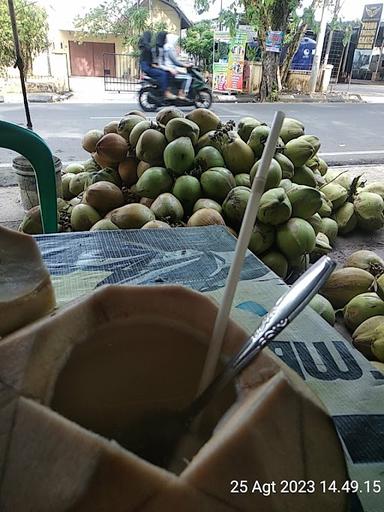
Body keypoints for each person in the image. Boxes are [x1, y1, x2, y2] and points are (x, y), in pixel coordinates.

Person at [138, 31, 175, 100]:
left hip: (149, 66)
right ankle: (164, 92)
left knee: (167, 73)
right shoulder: (150, 48)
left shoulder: (147, 47)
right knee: (163, 74)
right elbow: (154, 61)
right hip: (148, 67)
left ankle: (167, 90)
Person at [157, 32, 192, 99]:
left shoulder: (166, 47)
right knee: (188, 77)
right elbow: (175, 61)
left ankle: (178, 91)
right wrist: (185, 65)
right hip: (171, 69)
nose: (176, 43)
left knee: (184, 74)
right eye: (175, 41)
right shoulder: (169, 48)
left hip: (170, 68)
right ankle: (182, 93)